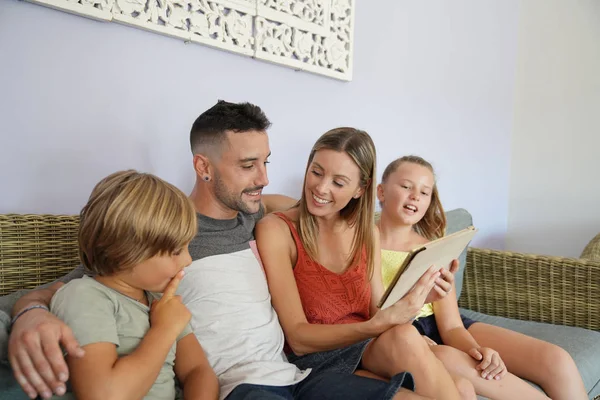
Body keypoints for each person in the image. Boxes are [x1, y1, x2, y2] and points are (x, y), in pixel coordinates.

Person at [3, 101, 430, 400]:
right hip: (243, 386)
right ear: (203, 167)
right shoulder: (162, 236)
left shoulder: (256, 214)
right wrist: (29, 312)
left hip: (296, 374)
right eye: (248, 166)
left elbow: (313, 209)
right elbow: (76, 283)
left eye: (266, 161)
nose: (264, 178)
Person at [255, 128, 471, 400]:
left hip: (367, 348)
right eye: (317, 172)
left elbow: (379, 310)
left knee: (459, 383)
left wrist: (419, 297)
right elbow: (298, 339)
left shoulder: (367, 232)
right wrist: (375, 326)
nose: (321, 188)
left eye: (339, 182)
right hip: (315, 360)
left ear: (360, 189)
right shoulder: (278, 230)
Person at [376, 155, 588, 400]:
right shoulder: (362, 245)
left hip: (445, 325)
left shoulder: (435, 249)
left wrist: (477, 350)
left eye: (425, 192)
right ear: (381, 191)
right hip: (402, 332)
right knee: (454, 360)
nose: (415, 196)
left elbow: (452, 325)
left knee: (556, 359)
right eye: (406, 186)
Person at [49, 170, 218, 400]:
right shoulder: (84, 296)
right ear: (127, 252)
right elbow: (104, 395)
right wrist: (164, 329)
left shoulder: (161, 303)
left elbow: (198, 371)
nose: (188, 260)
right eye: (177, 250)